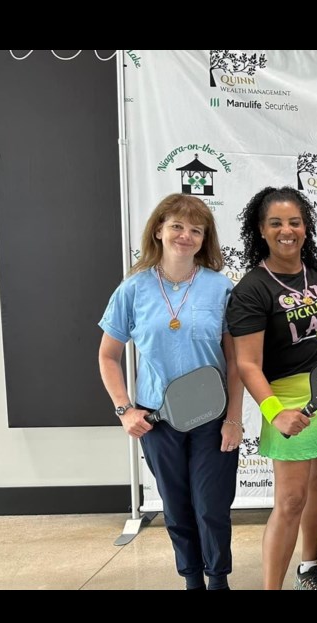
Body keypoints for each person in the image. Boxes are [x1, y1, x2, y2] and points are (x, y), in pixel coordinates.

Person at [98, 194, 243, 591]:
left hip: (213, 417)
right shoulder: (133, 289)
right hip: (157, 420)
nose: (186, 235)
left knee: (211, 506)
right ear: (159, 230)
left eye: (196, 230)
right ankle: (191, 580)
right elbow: (108, 356)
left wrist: (234, 419)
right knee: (177, 509)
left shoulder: (221, 288)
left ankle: (217, 580)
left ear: (205, 239)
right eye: (177, 226)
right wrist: (125, 409)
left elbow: (235, 362)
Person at [227, 186, 317, 590]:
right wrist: (275, 412)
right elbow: (247, 363)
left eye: (295, 222)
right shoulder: (252, 289)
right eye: (276, 223)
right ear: (261, 230)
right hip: (286, 401)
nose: (287, 230)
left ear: (306, 227)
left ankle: (309, 567)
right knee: (289, 502)